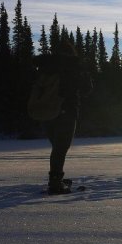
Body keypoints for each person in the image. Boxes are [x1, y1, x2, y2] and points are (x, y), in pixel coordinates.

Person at [32, 40, 91, 194]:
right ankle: (55, 183)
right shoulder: (74, 66)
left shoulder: (44, 66)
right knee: (60, 149)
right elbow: (86, 89)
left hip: (46, 113)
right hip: (66, 112)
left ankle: (56, 179)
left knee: (57, 148)